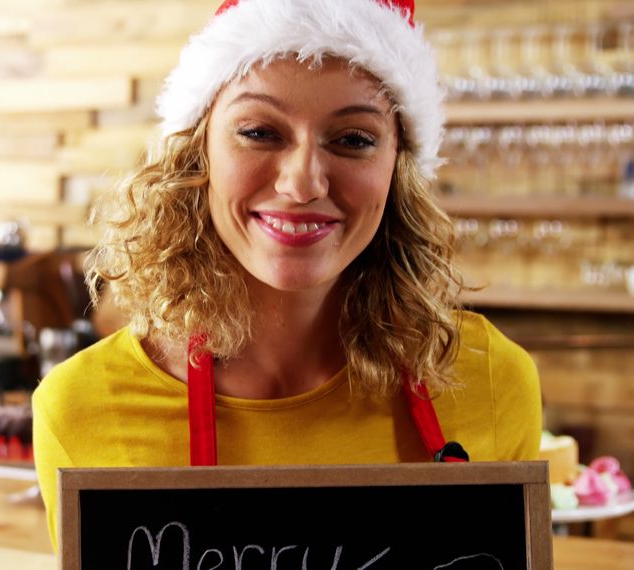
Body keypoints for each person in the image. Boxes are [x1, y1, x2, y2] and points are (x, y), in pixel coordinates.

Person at [33, 0, 542, 548]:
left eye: (353, 139)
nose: (303, 184)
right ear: (196, 154)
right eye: (259, 132)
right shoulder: (82, 409)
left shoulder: (491, 382)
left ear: (398, 167)